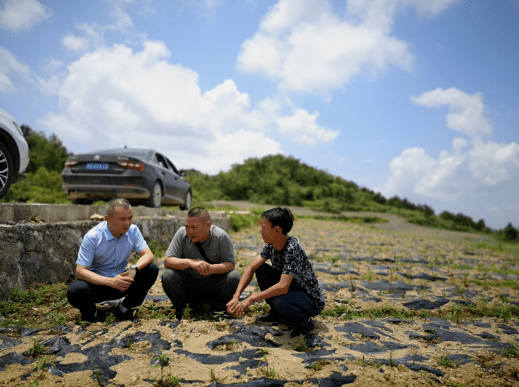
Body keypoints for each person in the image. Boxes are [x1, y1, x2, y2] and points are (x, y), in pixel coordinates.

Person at [227, 207, 326, 338]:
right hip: (292, 290)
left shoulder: (292, 248)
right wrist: (236, 296)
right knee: (261, 269)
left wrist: (251, 298)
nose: (260, 231)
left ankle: (304, 323)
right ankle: (276, 314)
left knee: (280, 300)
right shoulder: (271, 245)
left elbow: (283, 287)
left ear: (277, 230)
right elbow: (251, 268)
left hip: (309, 299)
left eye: (263, 227)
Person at [67, 198, 159, 322]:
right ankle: (91, 313)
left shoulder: (133, 231)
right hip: (98, 285)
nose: (127, 223)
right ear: (108, 219)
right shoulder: (93, 237)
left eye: (130, 218)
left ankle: (126, 308)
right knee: (76, 290)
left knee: (151, 269)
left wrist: (133, 269)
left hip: (123, 281)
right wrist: (110, 281)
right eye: (122, 219)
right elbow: (80, 271)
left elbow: (148, 254)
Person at [161, 207, 241, 320]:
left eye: (194, 227)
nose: (190, 231)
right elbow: (167, 261)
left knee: (235, 277)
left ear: (208, 225)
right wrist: (190, 263)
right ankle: (183, 309)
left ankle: (218, 309)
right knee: (168, 276)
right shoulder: (181, 234)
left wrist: (211, 269)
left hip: (213, 283)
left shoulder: (220, 236)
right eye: (187, 227)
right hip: (189, 284)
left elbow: (230, 264)